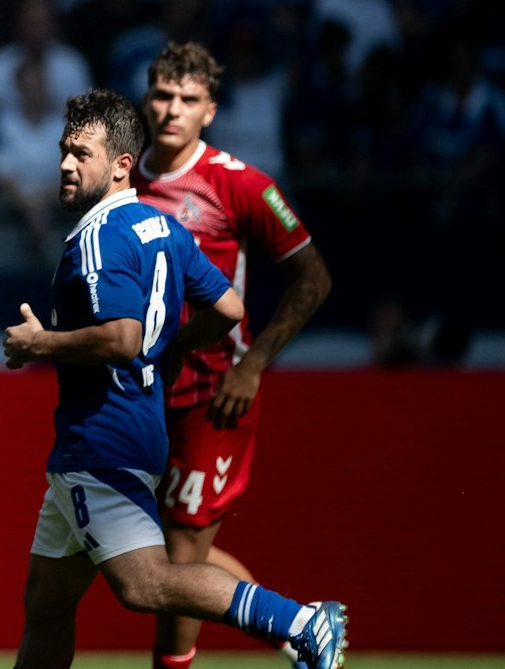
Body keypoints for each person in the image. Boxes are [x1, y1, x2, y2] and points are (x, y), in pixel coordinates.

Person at [2, 89, 347, 669]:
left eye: (80, 154)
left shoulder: (99, 237)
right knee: (47, 600)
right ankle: (298, 621)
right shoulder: (163, 228)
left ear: (119, 166)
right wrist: (173, 348)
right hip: (130, 434)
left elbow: (122, 338)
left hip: (101, 441)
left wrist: (40, 344)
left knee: (144, 585)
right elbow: (232, 308)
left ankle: (300, 622)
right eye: (64, 151)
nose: (65, 163)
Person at [132, 43, 336, 669]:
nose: (172, 110)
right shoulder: (121, 179)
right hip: (138, 393)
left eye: (188, 100)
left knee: (173, 567)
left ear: (210, 110)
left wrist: (253, 365)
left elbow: (314, 279)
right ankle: (301, 625)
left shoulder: (241, 184)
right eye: (163, 96)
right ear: (147, 99)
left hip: (212, 393)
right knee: (137, 548)